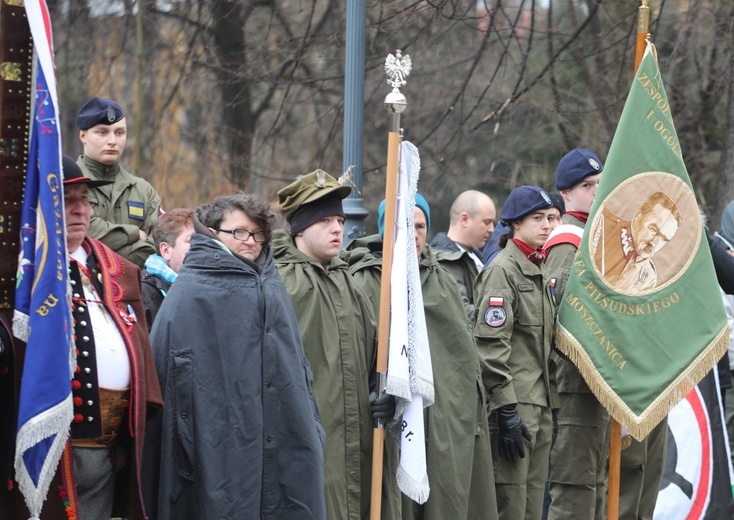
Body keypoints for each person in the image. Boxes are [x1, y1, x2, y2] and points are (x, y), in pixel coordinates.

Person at [0, 155, 162, 519]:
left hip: (109, 447)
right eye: (65, 200)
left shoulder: (119, 270)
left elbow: (139, 344)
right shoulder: (21, 270)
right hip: (48, 446)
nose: (78, 210)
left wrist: (127, 434)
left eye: (84, 200)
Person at [148, 192, 326, 519]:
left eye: (258, 233)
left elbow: (295, 370)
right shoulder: (193, 290)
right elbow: (175, 386)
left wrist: (311, 429)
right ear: (214, 231)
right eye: (239, 232)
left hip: (279, 439)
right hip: (212, 450)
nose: (250, 241)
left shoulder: (271, 284)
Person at [342, 194, 498, 520]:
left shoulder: (441, 280)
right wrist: (374, 393)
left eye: (420, 225)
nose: (413, 233)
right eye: (404, 225)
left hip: (441, 426)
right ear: (386, 229)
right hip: (387, 428)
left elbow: (460, 358)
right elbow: (353, 355)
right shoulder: (363, 280)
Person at [273, 170, 396, 519]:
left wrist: (385, 391)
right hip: (309, 443)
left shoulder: (347, 280)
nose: (337, 229)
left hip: (358, 440)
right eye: (325, 220)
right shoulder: (283, 283)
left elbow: (376, 352)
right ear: (300, 229)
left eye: (340, 220)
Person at [473, 185, 557, 520]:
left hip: (540, 403)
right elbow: (491, 345)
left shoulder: (539, 269)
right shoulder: (503, 270)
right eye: (538, 218)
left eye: (551, 218)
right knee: (509, 501)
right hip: (514, 405)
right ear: (516, 225)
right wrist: (506, 409)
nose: (548, 225)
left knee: (533, 502)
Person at [542, 149, 610, 520]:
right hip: (572, 385)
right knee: (574, 494)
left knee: (595, 487)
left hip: (595, 383)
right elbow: (560, 316)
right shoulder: (568, 241)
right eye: (587, 186)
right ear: (566, 193)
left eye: (600, 183)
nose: (597, 191)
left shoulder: (593, 235)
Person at [77, 96, 161, 268]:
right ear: (83, 136)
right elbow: (84, 232)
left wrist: (103, 257)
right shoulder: (69, 184)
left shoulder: (143, 190)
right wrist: (135, 234)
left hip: (135, 290)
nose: (113, 141)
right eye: (102, 132)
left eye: (119, 133)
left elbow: (159, 244)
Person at [591, 191, 682, 293]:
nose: (655, 243)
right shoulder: (601, 223)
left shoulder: (648, 276)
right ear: (639, 215)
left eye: (663, 239)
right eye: (653, 230)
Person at [430, 190, 496, 318]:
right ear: (464, 219)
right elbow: (462, 313)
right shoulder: (444, 261)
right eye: (486, 222)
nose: (491, 229)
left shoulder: (476, 257)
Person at [141, 208, 195, 332]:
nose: (201, 246)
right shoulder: (143, 295)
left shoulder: (211, 287)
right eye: (191, 240)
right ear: (165, 250)